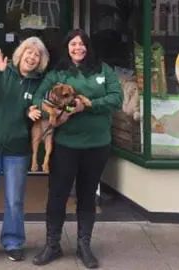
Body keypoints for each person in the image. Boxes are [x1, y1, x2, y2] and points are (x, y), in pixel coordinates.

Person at [30, 29, 123, 269]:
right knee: (57, 196)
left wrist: (88, 107)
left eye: (81, 44)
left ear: (88, 47)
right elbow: (39, 97)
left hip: (97, 145)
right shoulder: (58, 73)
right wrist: (59, 110)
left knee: (87, 196)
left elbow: (116, 99)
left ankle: (84, 245)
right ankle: (53, 244)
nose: (78, 48)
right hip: (65, 146)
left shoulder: (104, 70)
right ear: (67, 48)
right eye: (73, 44)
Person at [0, 37, 49, 265]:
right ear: (20, 53)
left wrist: (33, 112)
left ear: (41, 60)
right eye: (29, 52)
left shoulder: (39, 83)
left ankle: (13, 242)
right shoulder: (4, 71)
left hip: (18, 148)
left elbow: (41, 107)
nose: (32, 57)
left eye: (37, 55)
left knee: (14, 199)